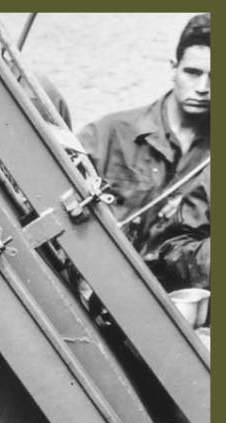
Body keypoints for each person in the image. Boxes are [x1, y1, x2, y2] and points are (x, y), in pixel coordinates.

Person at [79, 14, 210, 292]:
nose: (203, 89)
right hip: (95, 291)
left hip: (172, 304)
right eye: (193, 72)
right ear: (173, 68)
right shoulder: (110, 134)